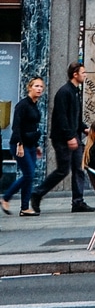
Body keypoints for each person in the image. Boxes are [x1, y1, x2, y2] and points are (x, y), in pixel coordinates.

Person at [32, 63, 94, 214]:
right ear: (75, 74)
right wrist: (69, 137)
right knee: (62, 170)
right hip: (63, 139)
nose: (85, 75)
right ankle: (37, 193)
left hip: (74, 136)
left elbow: (75, 116)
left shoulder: (75, 92)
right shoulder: (64, 92)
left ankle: (78, 202)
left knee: (79, 168)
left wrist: (84, 128)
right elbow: (61, 117)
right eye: (83, 72)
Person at [2, 76, 45, 217]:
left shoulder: (34, 105)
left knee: (30, 176)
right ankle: (6, 198)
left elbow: (32, 126)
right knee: (28, 174)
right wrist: (19, 145)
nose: (39, 89)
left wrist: (37, 145)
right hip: (20, 144)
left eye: (41, 87)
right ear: (30, 88)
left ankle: (25, 208)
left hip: (31, 145)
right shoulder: (22, 105)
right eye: (36, 86)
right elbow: (17, 126)